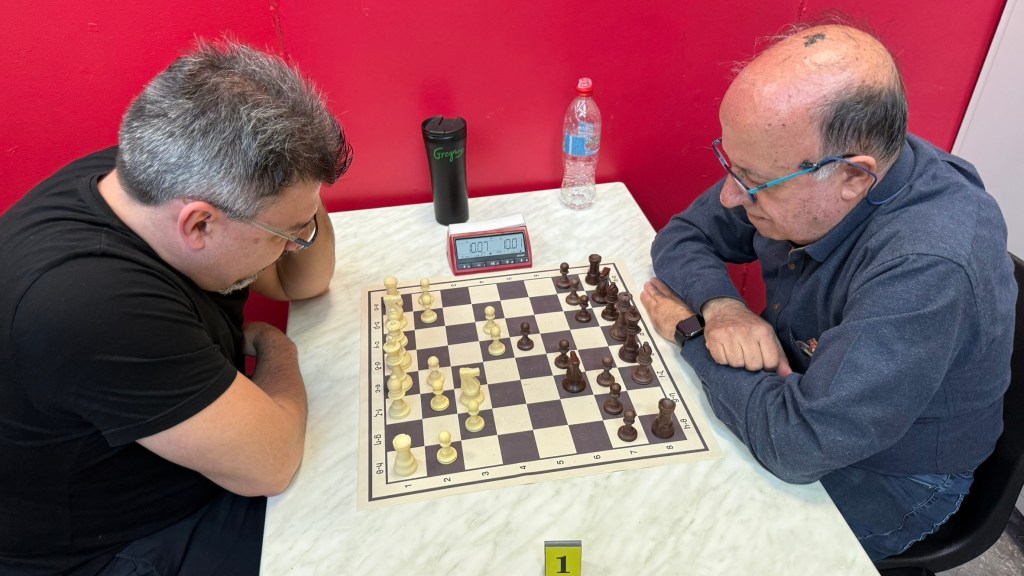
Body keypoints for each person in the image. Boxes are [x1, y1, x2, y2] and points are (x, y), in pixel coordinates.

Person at [639, 23, 1016, 561]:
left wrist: (691, 332)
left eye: (752, 181)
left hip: (896, 472)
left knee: (692, 550)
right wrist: (723, 309)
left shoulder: (930, 263)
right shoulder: (801, 173)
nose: (730, 196)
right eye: (731, 165)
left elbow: (800, 445)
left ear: (853, 178)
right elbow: (684, 235)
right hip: (803, 395)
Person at [0, 39, 352, 575]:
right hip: (111, 547)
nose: (293, 247)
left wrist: (300, 188)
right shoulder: (93, 307)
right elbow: (273, 461)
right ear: (200, 224)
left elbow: (303, 282)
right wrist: (277, 347)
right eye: (285, 234)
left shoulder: (154, 184)